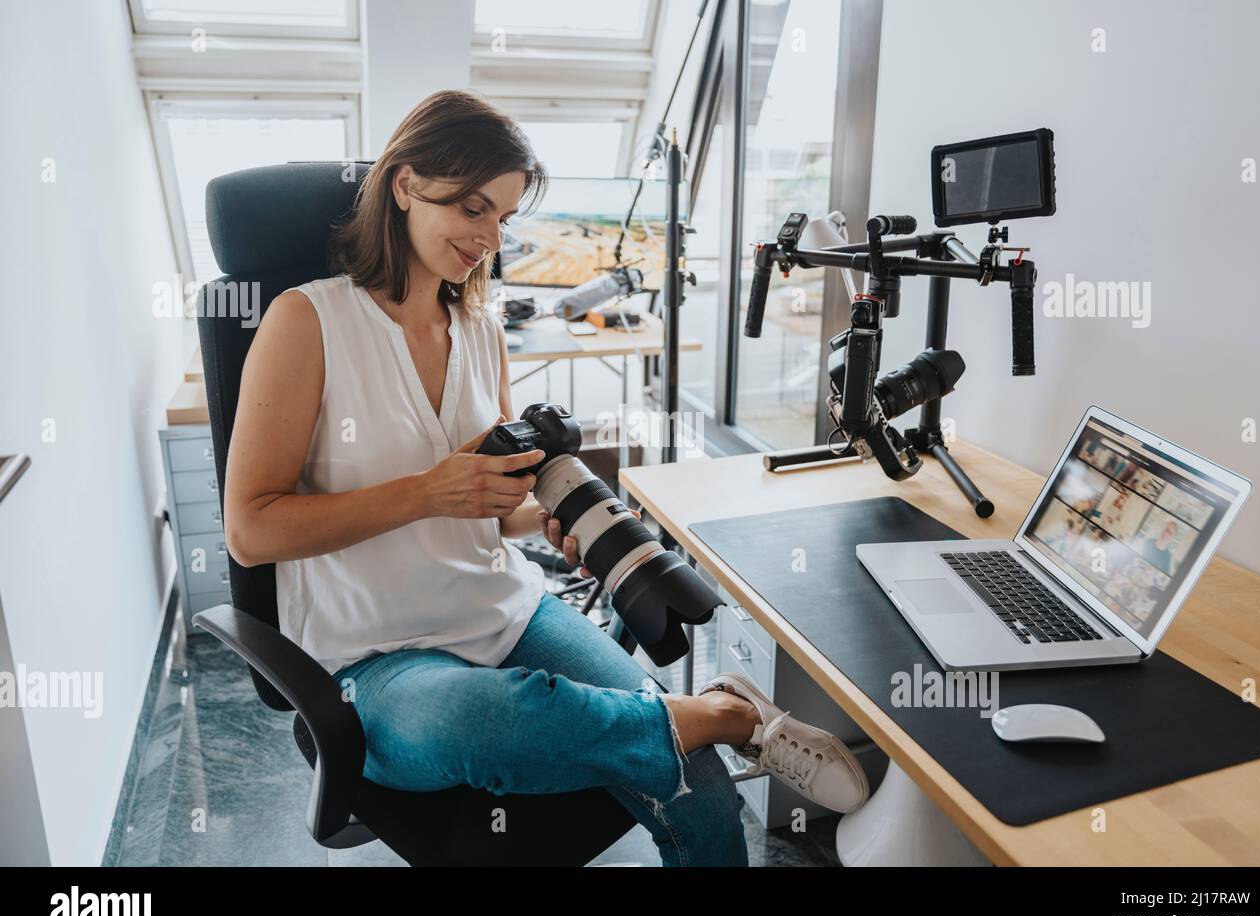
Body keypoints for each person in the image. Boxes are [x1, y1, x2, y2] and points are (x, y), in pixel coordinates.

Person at [221, 89, 868, 867]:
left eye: (502, 216)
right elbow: (251, 531)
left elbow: (492, 515)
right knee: (493, 724)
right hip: (377, 662)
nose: (489, 237)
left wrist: (547, 516)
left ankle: (698, 725)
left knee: (697, 787)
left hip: (505, 611)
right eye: (471, 207)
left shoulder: (480, 330)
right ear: (403, 185)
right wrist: (429, 490)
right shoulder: (308, 322)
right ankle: (727, 716)